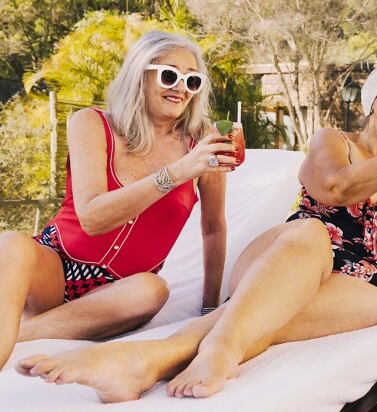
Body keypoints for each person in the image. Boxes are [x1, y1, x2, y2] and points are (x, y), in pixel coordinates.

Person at [15, 62, 377, 402]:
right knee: (312, 233)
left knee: (267, 316)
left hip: (367, 282)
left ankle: (145, 360)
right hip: (290, 256)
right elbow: (336, 188)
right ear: (373, 100)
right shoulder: (334, 141)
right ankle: (220, 350)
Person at [0, 31, 236, 370]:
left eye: (192, 80)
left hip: (120, 294)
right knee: (11, 243)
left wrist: (210, 309)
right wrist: (177, 172)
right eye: (170, 75)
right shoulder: (93, 124)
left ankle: (18, 333)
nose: (181, 87)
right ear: (140, 74)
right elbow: (92, 218)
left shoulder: (203, 144)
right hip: (56, 264)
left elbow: (213, 228)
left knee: (152, 290)